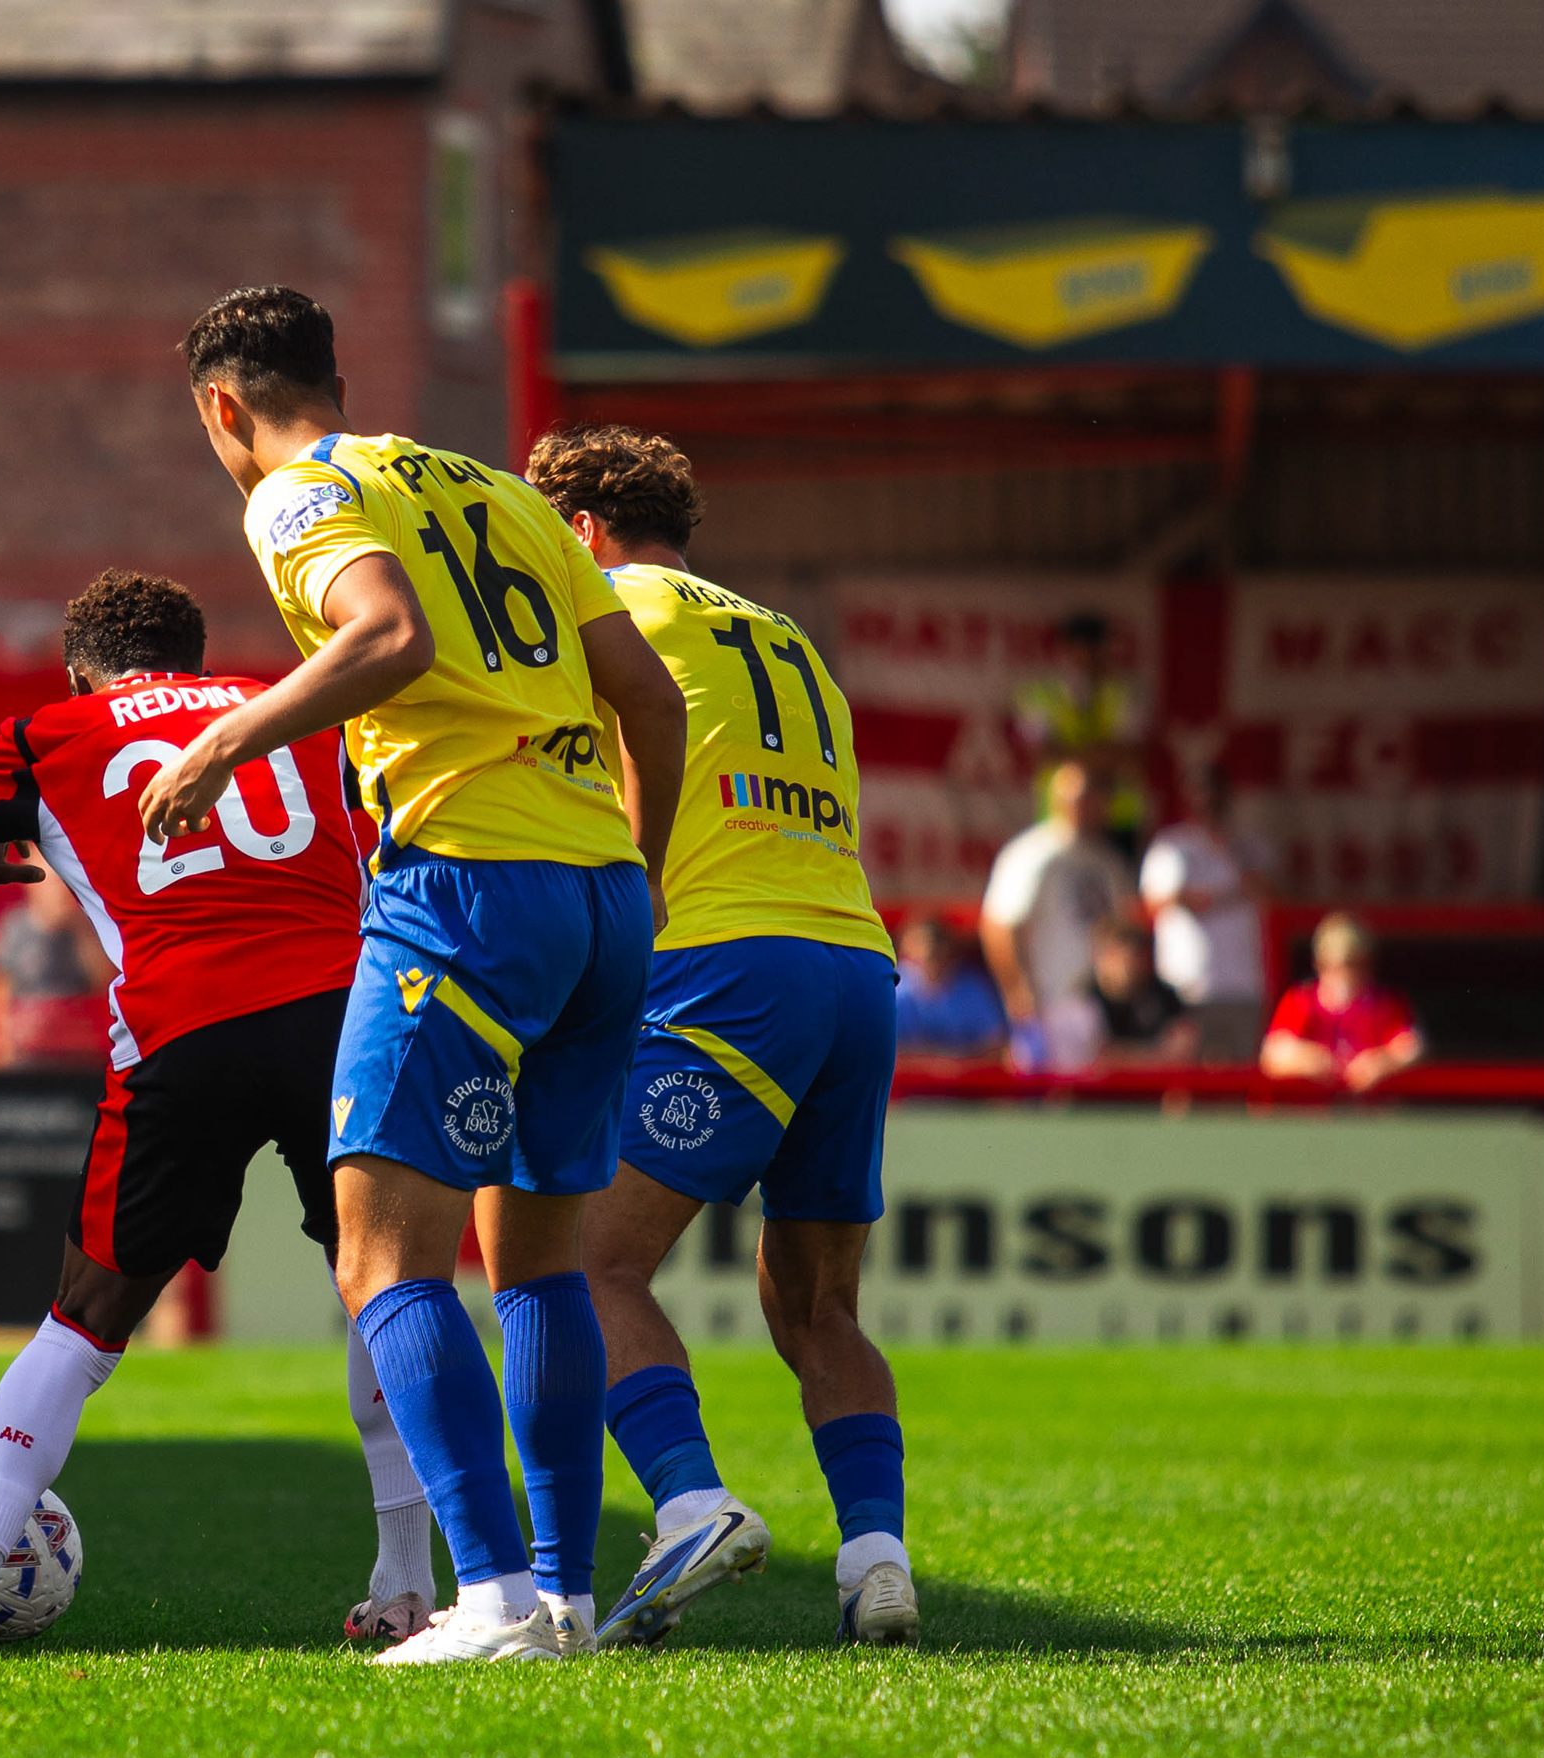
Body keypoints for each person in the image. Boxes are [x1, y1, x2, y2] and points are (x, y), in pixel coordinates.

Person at [138, 286, 686, 1668]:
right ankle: (562, 1595)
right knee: (540, 1264)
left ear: (223, 407)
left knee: (385, 1260)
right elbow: (657, 703)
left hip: (463, 887)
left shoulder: (298, 490)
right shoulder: (503, 491)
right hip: (600, 897)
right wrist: (642, 867)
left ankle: (491, 1598)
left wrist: (220, 748)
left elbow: (389, 638)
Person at [0, 568, 435, 1656]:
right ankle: (405, 1587)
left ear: (81, 669)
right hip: (341, 1018)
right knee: (381, 1287)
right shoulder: (287, 703)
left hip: (184, 1030)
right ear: (198, 662)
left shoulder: (46, 731)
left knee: (82, 1321)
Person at [525, 422, 918, 1650]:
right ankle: (877, 1558)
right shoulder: (787, 638)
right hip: (858, 966)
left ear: (580, 533)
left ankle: (690, 1503)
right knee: (818, 1310)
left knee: (588, 1261)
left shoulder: (604, 613)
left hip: (730, 964)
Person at [980, 761, 1133, 1068]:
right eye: (1083, 797)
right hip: (1048, 1000)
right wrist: (1017, 989)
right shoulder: (1033, 853)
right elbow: (999, 925)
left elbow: (1123, 929)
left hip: (1098, 1003)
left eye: (1099, 797)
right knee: (1043, 1103)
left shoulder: (1108, 862)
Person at [1138, 756, 1272, 1061]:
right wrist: (1232, 892)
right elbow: (1160, 901)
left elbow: (1274, 892)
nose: (1207, 800)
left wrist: (1231, 864)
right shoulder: (1173, 845)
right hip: (1187, 982)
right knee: (1185, 1076)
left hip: (1244, 983)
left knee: (1242, 1073)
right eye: (1199, 792)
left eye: (1213, 791)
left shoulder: (1248, 844)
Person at [1015, 607, 1146, 851]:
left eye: (1095, 649)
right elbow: (1042, 755)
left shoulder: (1125, 695)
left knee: (1117, 888)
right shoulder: (1040, 696)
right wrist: (1104, 754)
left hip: (1116, 820)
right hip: (1059, 818)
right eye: (1079, 649)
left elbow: (1131, 756)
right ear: (1065, 651)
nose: (1087, 658)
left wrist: (1067, 753)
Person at [1260, 912, 1426, 1091]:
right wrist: (1310, 1060)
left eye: (1354, 964)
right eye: (1336, 965)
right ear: (1320, 964)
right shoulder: (1301, 1000)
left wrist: (1381, 1062)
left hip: (1373, 1111)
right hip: (1309, 1111)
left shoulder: (1385, 1003)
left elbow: (1412, 1047)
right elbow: (1273, 1054)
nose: (1345, 975)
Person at [0, 870, 111, 1068]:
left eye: (65, 885)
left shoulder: (89, 929)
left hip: (78, 1046)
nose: (59, 892)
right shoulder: (11, 929)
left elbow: (103, 983)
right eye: (52, 884)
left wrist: (79, 928)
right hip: (26, 1045)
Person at [888, 912, 1007, 1059]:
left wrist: (956, 1061)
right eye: (920, 942)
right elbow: (877, 1045)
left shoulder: (972, 991)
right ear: (905, 948)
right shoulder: (892, 989)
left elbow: (997, 1044)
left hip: (965, 1080)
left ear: (950, 949)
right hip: (904, 1081)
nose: (929, 949)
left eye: (937, 942)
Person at [1087, 912, 1199, 1065]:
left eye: (1137, 956)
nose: (1134, 965)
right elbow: (1099, 1059)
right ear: (1105, 956)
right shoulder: (1085, 1003)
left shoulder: (1162, 994)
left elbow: (1182, 1049)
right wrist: (1155, 1055)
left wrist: (1129, 1056)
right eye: (1125, 957)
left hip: (1160, 1085)